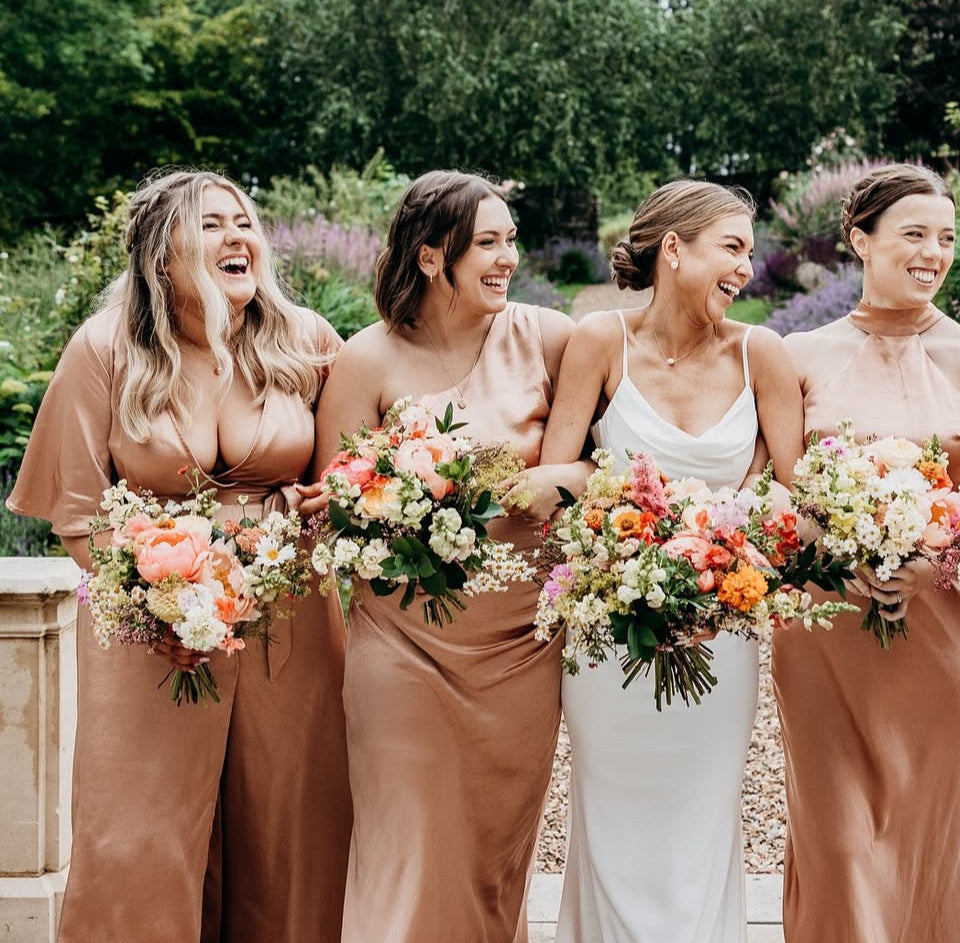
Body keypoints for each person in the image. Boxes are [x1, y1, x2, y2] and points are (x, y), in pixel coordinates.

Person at [6, 169, 352, 942]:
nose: (239, 237)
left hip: (288, 616)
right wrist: (154, 600)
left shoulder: (309, 341)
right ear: (162, 254)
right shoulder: (105, 349)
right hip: (151, 627)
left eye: (246, 222)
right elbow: (77, 512)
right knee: (137, 831)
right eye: (212, 224)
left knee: (289, 829)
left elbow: (349, 478)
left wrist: (322, 506)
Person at [312, 170, 576, 943]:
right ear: (432, 257)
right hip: (401, 643)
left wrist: (557, 476)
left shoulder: (552, 339)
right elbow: (333, 510)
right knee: (410, 842)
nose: (507, 258)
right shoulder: (367, 360)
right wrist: (404, 510)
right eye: (487, 243)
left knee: (493, 855)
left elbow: (610, 470)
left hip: (520, 646)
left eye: (511, 240)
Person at [773, 163, 960, 942]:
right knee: (837, 839)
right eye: (914, 234)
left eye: (946, 237)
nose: (934, 252)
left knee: (923, 837)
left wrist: (934, 564)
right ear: (861, 239)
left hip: (938, 636)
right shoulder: (797, 358)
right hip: (823, 630)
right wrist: (827, 545)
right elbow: (773, 494)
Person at [538, 180, 803, 942]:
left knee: (700, 818)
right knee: (613, 821)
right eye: (732, 248)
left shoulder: (763, 354)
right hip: (611, 630)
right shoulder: (599, 341)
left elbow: (796, 493)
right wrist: (618, 536)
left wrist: (738, 541)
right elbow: (559, 480)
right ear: (674, 250)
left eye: (749, 253)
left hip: (720, 629)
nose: (745, 269)